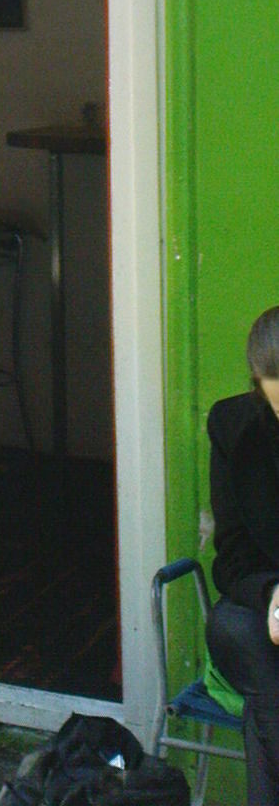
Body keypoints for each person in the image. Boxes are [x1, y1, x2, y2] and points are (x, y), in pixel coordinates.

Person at [207, 304, 279, 804]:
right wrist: (272, 594)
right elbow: (230, 558)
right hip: (257, 604)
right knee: (241, 635)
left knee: (267, 707)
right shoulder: (234, 427)